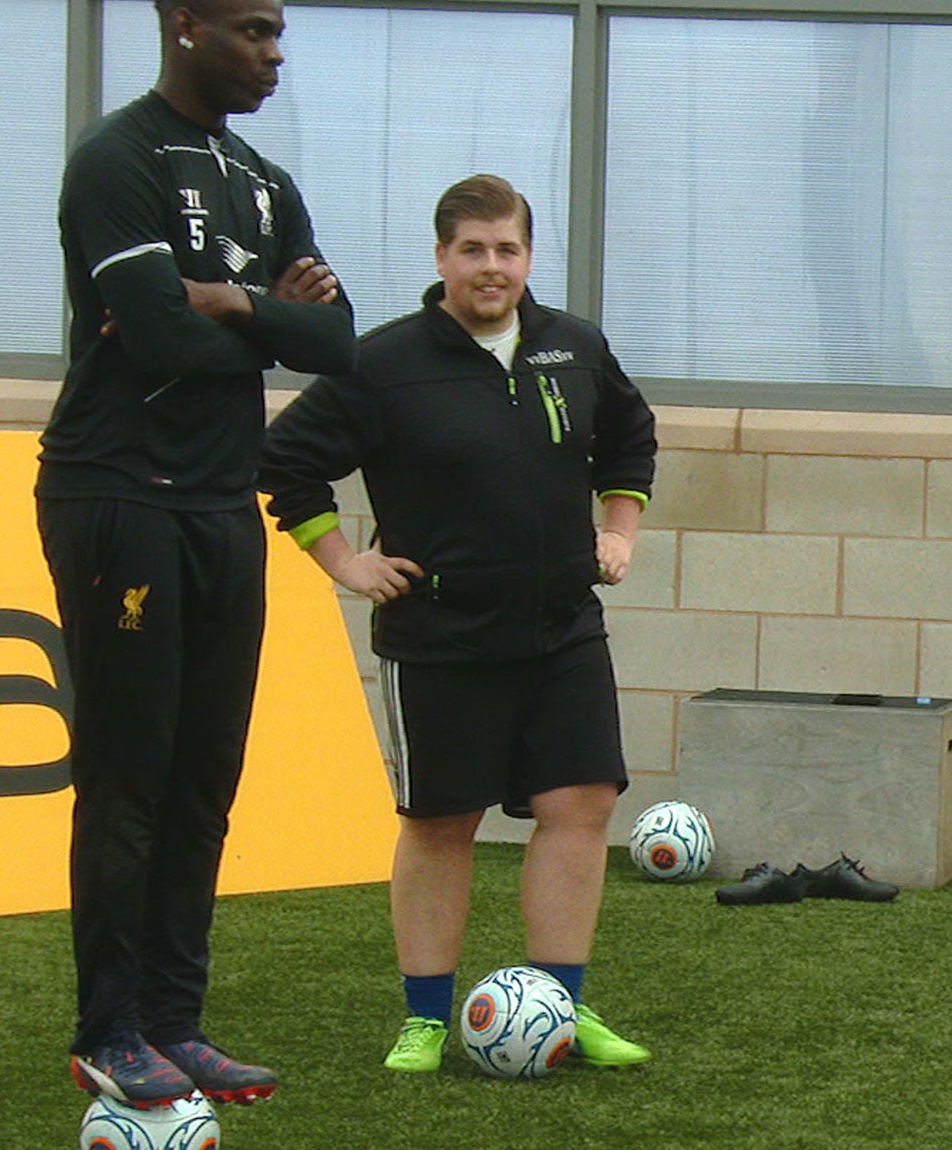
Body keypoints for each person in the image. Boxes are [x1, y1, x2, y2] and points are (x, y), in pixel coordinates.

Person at [38, 0, 355, 1108]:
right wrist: (260, 314)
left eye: (278, 28)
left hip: (228, 504)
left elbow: (336, 343)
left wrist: (227, 301)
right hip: (118, 495)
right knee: (132, 772)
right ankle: (107, 1028)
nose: (276, 50)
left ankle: (176, 1020)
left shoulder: (266, 184)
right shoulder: (114, 160)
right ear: (187, 27)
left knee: (206, 777)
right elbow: (159, 339)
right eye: (255, 29)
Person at [257, 173, 658, 1074]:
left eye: (507, 249)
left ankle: (562, 1008)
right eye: (472, 250)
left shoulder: (575, 349)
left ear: (527, 256)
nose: (491, 267)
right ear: (441, 258)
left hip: (562, 630)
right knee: (442, 822)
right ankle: (427, 1019)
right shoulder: (384, 363)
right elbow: (285, 459)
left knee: (581, 806)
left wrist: (617, 530)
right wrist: (344, 561)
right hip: (439, 640)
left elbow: (631, 440)